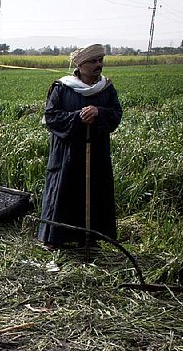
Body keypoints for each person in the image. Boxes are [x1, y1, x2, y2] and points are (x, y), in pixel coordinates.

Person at [37, 44, 123, 249]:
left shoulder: (106, 88)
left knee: (94, 190)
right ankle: (55, 238)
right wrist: (78, 117)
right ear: (81, 64)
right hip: (66, 153)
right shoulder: (62, 87)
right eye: (93, 61)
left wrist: (99, 112)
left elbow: (116, 113)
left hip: (96, 152)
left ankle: (90, 237)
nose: (98, 65)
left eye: (101, 60)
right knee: (64, 190)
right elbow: (51, 117)